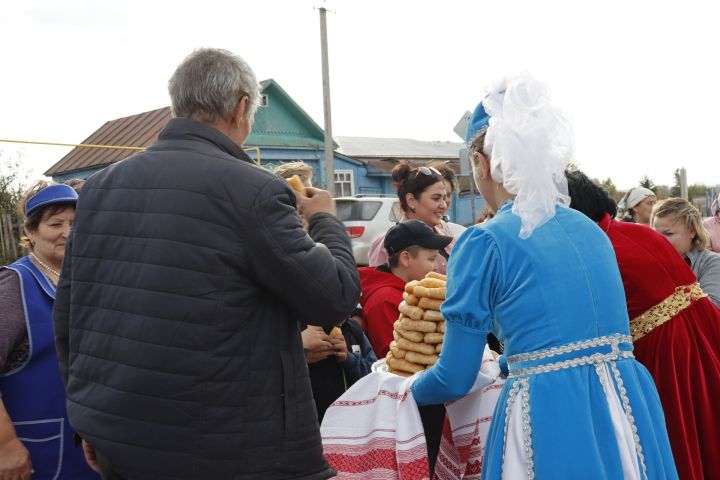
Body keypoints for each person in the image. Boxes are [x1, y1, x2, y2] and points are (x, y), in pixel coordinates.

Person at [53, 48, 361, 480]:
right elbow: (335, 298)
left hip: (119, 438)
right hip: (229, 450)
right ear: (239, 108)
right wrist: (326, 220)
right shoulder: (252, 190)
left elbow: (71, 316)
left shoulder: (100, 188)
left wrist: (86, 423)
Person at [412, 75, 677, 479]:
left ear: (482, 164)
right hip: (627, 403)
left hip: (549, 409)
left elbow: (454, 377)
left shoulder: (484, 241)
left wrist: (400, 391)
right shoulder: (590, 229)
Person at [566, 170, 720, 480]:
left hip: (666, 356)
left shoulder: (596, 248)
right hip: (701, 338)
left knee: (679, 441)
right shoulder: (634, 232)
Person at [0, 181, 98, 480]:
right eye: (55, 223)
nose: (68, 232)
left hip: (90, 451)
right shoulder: (13, 287)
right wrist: (5, 444)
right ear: (30, 232)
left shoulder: (86, 280)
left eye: (75, 222)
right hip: (36, 453)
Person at [273, 162, 376, 422]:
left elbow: (371, 370)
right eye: (300, 205)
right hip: (297, 424)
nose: (307, 212)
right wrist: (297, 350)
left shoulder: (348, 326)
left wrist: (349, 359)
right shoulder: (271, 277)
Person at [358, 220, 453, 357]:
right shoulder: (385, 300)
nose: (436, 267)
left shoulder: (410, 292)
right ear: (406, 258)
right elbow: (395, 358)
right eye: (431, 259)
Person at [368, 163, 455, 273]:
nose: (443, 205)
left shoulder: (446, 237)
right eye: (436, 198)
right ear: (411, 201)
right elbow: (380, 285)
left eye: (444, 198)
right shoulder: (386, 245)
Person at [652, 198, 720, 306]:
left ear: (692, 231)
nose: (659, 240)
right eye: (655, 234)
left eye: (668, 234)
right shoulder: (651, 262)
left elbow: (712, 309)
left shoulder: (713, 262)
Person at [428, 161, 467, 236]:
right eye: (436, 197)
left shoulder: (460, 233)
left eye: (448, 195)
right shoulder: (403, 236)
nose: (443, 203)